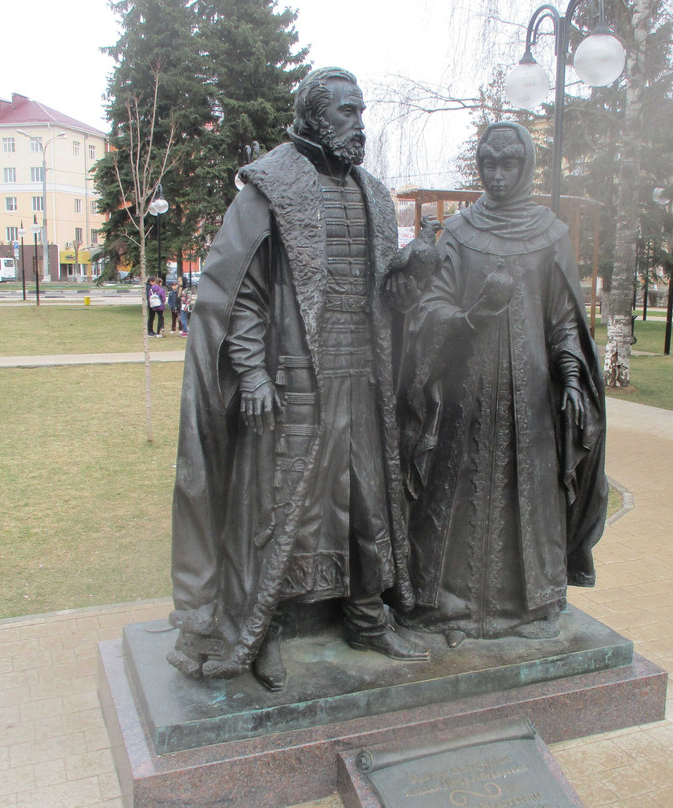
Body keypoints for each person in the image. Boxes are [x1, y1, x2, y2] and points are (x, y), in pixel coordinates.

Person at [168, 66, 427, 692]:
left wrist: (411, 271)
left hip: (362, 376)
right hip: (293, 382)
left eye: (360, 111)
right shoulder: (269, 187)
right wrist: (252, 373)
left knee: (367, 501)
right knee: (284, 511)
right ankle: (264, 632)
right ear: (314, 116)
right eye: (346, 111)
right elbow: (242, 295)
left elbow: (380, 289)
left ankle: (367, 615)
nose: (357, 123)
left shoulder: (372, 192)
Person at [395, 122, 607, 648]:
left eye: (508, 164)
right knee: (455, 495)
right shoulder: (460, 233)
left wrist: (574, 379)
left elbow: (563, 320)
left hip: (529, 401)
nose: (497, 174)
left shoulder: (550, 234)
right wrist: (470, 313)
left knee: (526, 496)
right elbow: (430, 307)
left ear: (527, 166)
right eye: (488, 163)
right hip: (464, 399)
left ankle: (526, 606)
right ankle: (447, 605)